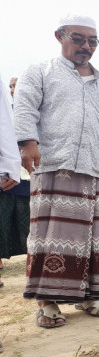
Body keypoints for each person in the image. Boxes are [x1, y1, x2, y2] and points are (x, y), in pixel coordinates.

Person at [13, 14, 99, 328]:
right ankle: (47, 303)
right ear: (60, 35)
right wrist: (27, 143)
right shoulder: (40, 71)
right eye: (78, 39)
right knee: (51, 236)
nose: (86, 46)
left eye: (92, 41)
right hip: (54, 164)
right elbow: (24, 107)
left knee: (95, 238)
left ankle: (91, 297)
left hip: (97, 170)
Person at [0, 74, 29, 280]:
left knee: (26, 224)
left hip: (25, 178)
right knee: (3, 222)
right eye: (11, 86)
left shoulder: (32, 112)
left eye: (16, 86)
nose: (13, 90)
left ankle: (33, 262)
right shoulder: (8, 107)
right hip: (8, 175)